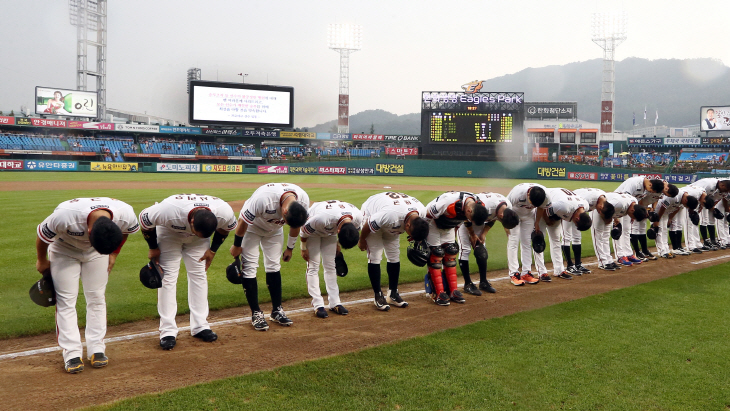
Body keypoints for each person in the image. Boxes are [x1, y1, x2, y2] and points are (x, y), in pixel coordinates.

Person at [36, 198, 138, 373]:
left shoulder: (125, 213)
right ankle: (71, 353)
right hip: (64, 250)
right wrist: (42, 260)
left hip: (96, 254)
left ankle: (97, 348)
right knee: (66, 300)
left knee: (97, 297)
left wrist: (113, 254)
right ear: (88, 230)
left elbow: (126, 231)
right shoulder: (65, 216)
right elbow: (42, 236)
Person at [139, 194, 237, 350]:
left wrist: (212, 250)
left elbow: (225, 230)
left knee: (199, 275)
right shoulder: (169, 210)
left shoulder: (223, 211)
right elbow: (144, 220)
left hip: (198, 241)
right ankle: (167, 331)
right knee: (168, 278)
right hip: (169, 234)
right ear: (191, 221)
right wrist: (153, 247)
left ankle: (200, 326)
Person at [230, 183, 309, 331]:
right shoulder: (264, 199)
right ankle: (256, 313)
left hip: (274, 231)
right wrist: (236, 245)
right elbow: (242, 222)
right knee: (250, 268)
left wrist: (290, 248)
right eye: (285, 220)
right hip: (252, 227)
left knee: (273, 265)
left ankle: (277, 310)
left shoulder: (302, 200)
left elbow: (295, 225)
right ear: (284, 211)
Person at [359, 192, 429, 310]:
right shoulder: (391, 216)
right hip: (372, 212)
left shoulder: (421, 212)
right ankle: (378, 295)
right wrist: (362, 240)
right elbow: (368, 224)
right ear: (407, 225)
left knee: (394, 256)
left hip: (393, 220)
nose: (410, 238)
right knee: (375, 256)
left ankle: (393, 294)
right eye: (411, 235)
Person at [300, 200, 362, 318]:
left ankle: (335, 302)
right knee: (314, 265)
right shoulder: (320, 219)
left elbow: (353, 231)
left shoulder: (357, 218)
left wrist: (338, 244)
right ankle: (318, 304)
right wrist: (303, 248)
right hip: (314, 232)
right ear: (338, 231)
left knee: (330, 266)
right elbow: (304, 230)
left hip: (331, 230)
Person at [424, 191, 488, 305]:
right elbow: (427, 215)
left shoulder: (477, 206)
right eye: (471, 219)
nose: (470, 222)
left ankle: (453, 290)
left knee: (451, 253)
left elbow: (459, 220)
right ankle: (438, 293)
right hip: (432, 223)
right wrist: (422, 236)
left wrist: (454, 235)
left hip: (450, 225)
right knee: (436, 255)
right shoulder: (447, 203)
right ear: (469, 210)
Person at [456, 192, 519, 295]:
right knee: (465, 249)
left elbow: (493, 219)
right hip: (466, 219)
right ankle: (468, 284)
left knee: (482, 252)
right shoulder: (486, 205)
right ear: (501, 215)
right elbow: (465, 214)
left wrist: (484, 233)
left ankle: (483, 282)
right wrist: (472, 234)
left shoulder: (507, 208)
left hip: (480, 221)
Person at [614, 176, 678, 264]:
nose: (652, 192)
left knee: (627, 230)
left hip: (631, 207)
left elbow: (644, 200)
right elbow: (625, 198)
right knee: (621, 230)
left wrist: (649, 210)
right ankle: (621, 255)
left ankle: (628, 254)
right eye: (652, 191)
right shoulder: (635, 183)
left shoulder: (647, 186)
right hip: (619, 206)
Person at [534, 188, 593, 281]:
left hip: (557, 209)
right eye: (576, 223)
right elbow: (544, 208)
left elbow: (564, 214)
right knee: (539, 240)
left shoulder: (584, 206)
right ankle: (542, 272)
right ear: (577, 219)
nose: (574, 224)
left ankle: (559, 270)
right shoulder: (564, 206)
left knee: (556, 240)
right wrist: (547, 221)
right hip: (544, 205)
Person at [506, 183, 550, 286]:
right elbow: (506, 208)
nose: (533, 205)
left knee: (526, 242)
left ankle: (526, 272)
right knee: (514, 241)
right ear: (528, 195)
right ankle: (514, 274)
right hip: (513, 214)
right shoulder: (517, 194)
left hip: (529, 216)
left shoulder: (545, 195)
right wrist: (507, 225)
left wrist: (537, 222)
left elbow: (541, 207)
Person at [566, 188, 615, 274]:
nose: (599, 213)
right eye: (599, 211)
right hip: (568, 208)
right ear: (601, 206)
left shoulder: (602, 200)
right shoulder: (589, 199)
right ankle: (569, 266)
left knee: (577, 237)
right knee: (567, 236)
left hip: (578, 212)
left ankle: (578, 264)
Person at [597, 193, 647, 270]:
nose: (632, 218)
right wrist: (609, 219)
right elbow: (604, 207)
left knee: (606, 236)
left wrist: (615, 218)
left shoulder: (634, 204)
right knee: (599, 235)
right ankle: (603, 262)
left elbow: (615, 211)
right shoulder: (619, 204)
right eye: (633, 216)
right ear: (632, 210)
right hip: (600, 207)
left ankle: (608, 260)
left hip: (610, 209)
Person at [651, 186, 702, 258]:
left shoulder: (684, 199)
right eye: (687, 206)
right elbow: (662, 208)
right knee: (659, 230)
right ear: (686, 201)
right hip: (658, 211)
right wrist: (657, 220)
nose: (686, 207)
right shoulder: (674, 197)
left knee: (664, 231)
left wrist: (670, 218)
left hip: (666, 212)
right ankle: (661, 251)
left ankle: (666, 250)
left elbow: (677, 208)